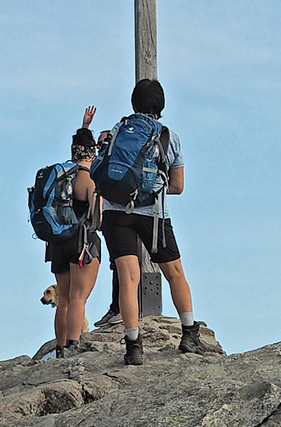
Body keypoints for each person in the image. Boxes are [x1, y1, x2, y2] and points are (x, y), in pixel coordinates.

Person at [99, 78, 199, 365]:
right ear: (162, 105)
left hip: (115, 212)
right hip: (152, 215)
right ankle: (190, 334)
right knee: (175, 272)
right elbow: (178, 186)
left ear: (134, 102)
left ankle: (133, 346)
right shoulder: (169, 136)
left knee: (129, 278)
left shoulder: (117, 129)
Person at [45, 107, 103, 358]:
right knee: (79, 297)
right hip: (82, 243)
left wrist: (85, 127)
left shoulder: (62, 176)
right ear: (93, 152)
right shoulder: (89, 180)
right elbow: (97, 217)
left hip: (57, 241)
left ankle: (60, 347)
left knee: (65, 299)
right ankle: (74, 345)